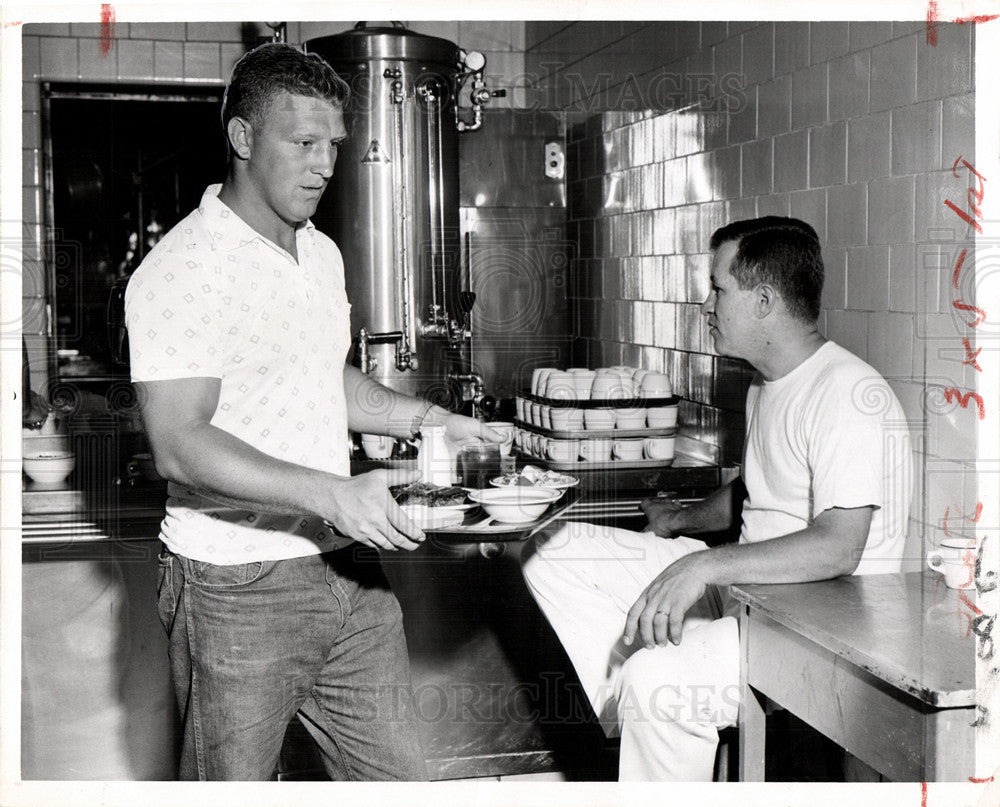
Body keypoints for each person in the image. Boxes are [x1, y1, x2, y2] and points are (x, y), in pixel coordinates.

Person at [124, 42, 500, 781]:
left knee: (400, 782)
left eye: (333, 143)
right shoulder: (181, 269)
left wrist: (429, 422)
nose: (326, 164)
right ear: (241, 138)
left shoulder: (319, 252)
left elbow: (322, 376)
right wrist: (331, 492)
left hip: (345, 574)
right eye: (303, 142)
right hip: (233, 584)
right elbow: (179, 442)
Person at [521, 216, 913, 781]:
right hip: (748, 597)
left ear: (763, 301)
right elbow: (757, 491)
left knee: (658, 682)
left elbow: (838, 548)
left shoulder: (849, 394)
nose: (707, 305)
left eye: (718, 288)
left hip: (814, 636)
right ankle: (631, 713)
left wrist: (703, 565)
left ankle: (650, 703)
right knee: (552, 547)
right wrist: (682, 521)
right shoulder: (767, 383)